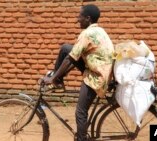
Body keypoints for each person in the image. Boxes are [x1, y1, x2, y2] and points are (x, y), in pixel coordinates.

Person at [43, 4, 114, 141]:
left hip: (97, 76)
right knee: (65, 48)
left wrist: (53, 78)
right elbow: (72, 55)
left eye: (80, 16)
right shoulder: (99, 31)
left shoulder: (87, 34)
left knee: (80, 112)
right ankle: (58, 80)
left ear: (88, 18)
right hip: (100, 70)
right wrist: (58, 75)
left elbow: (71, 59)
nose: (77, 19)